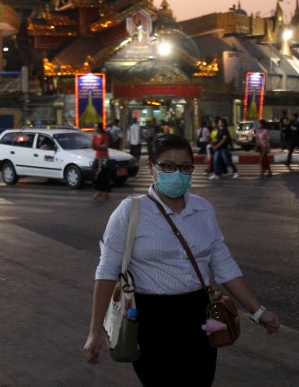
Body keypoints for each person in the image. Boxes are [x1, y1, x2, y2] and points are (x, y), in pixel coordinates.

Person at [83, 134, 281, 384]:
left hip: (198, 315)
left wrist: (258, 311)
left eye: (185, 167)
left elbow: (224, 265)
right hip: (149, 321)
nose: (177, 173)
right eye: (167, 166)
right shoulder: (130, 211)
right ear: (151, 168)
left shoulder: (203, 209)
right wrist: (94, 332)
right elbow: (107, 272)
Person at [91, 122, 112, 200]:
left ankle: (103, 191)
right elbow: (93, 146)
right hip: (97, 157)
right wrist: (94, 146)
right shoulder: (95, 137)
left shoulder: (104, 136)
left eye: (95, 127)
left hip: (104, 158)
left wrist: (98, 146)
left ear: (99, 128)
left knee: (103, 174)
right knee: (97, 174)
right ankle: (100, 191)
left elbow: (106, 146)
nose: (94, 129)